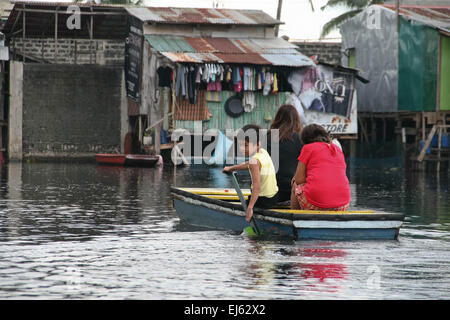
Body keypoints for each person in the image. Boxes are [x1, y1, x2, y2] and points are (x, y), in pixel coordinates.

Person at [223, 124, 279, 222]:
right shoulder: (263, 152)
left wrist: (250, 208)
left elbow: (257, 186)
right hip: (274, 197)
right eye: (240, 145)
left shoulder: (254, 161)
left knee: (245, 204)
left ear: (257, 144)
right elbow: (249, 164)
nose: (242, 149)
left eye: (245, 145)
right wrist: (232, 168)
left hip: (262, 201)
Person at [291, 123, 350, 211]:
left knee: (295, 184)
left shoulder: (307, 148)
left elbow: (299, 180)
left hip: (315, 204)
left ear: (305, 139)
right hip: (342, 205)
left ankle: (294, 216)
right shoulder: (337, 149)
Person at [267, 104, 303, 203]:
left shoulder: (267, 137)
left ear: (277, 118)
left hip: (272, 192)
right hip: (293, 193)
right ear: (297, 120)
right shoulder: (301, 139)